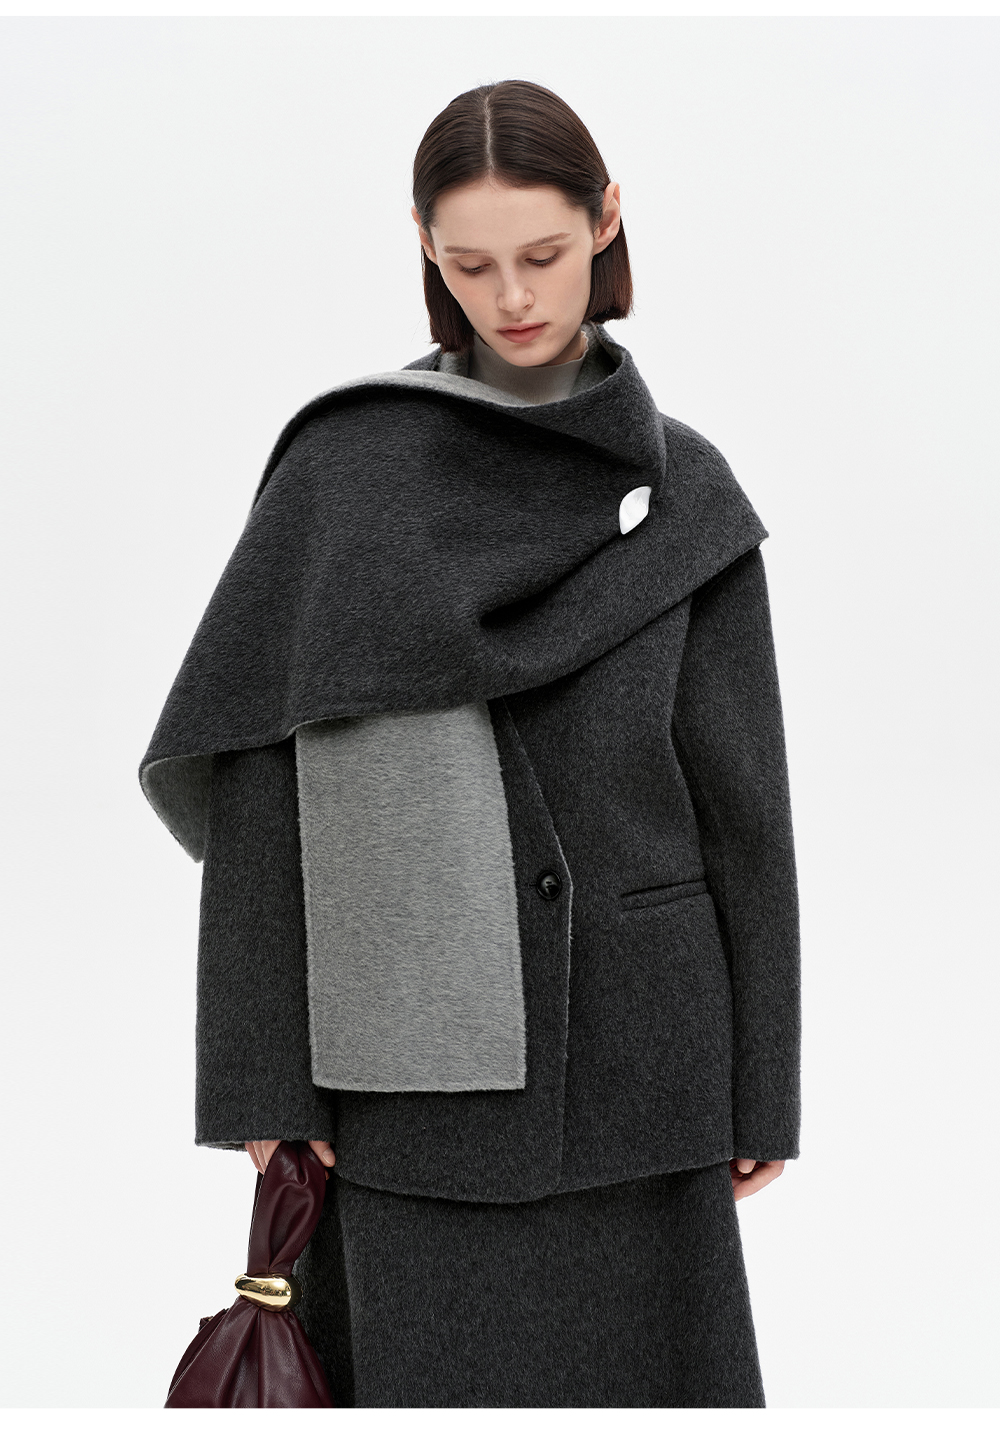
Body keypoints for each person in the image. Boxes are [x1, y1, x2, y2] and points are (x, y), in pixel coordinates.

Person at [141, 79, 800, 1408]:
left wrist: (763, 1083)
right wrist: (264, 1080)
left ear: (607, 221)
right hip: (405, 1084)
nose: (513, 297)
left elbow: (745, 808)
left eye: (544, 254)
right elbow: (263, 780)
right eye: (471, 263)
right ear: (424, 249)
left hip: (645, 1066)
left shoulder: (690, 496)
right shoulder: (344, 480)